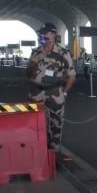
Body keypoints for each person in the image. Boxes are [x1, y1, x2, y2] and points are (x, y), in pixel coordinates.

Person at [27, 23, 76, 151]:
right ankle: (38, 150)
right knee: (35, 123)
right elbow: (28, 73)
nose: (42, 35)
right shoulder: (36, 51)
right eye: (41, 33)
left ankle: (53, 152)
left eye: (45, 33)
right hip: (36, 93)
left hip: (55, 93)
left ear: (53, 34)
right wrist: (33, 63)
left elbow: (71, 76)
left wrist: (64, 93)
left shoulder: (63, 53)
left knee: (56, 124)